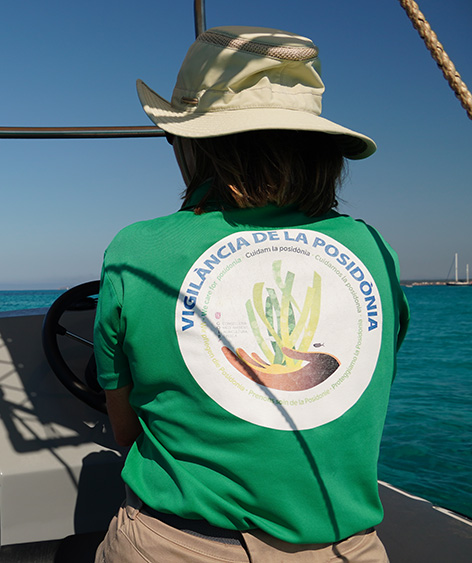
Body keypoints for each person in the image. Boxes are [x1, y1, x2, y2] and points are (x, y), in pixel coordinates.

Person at [93, 26, 409, 562]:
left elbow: (125, 427)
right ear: (320, 147)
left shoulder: (137, 250)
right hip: (347, 550)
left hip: (180, 547)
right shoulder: (373, 248)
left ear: (194, 144)